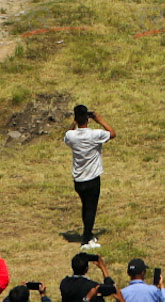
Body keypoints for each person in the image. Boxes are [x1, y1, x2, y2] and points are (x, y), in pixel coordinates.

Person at [64, 105, 114, 248]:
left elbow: (68, 133)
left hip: (78, 179)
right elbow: (112, 133)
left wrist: (74, 122)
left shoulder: (71, 136)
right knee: (91, 208)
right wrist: (100, 120)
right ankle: (86, 240)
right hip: (92, 178)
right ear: (88, 118)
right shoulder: (95, 134)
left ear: (75, 118)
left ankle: (88, 234)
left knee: (86, 207)